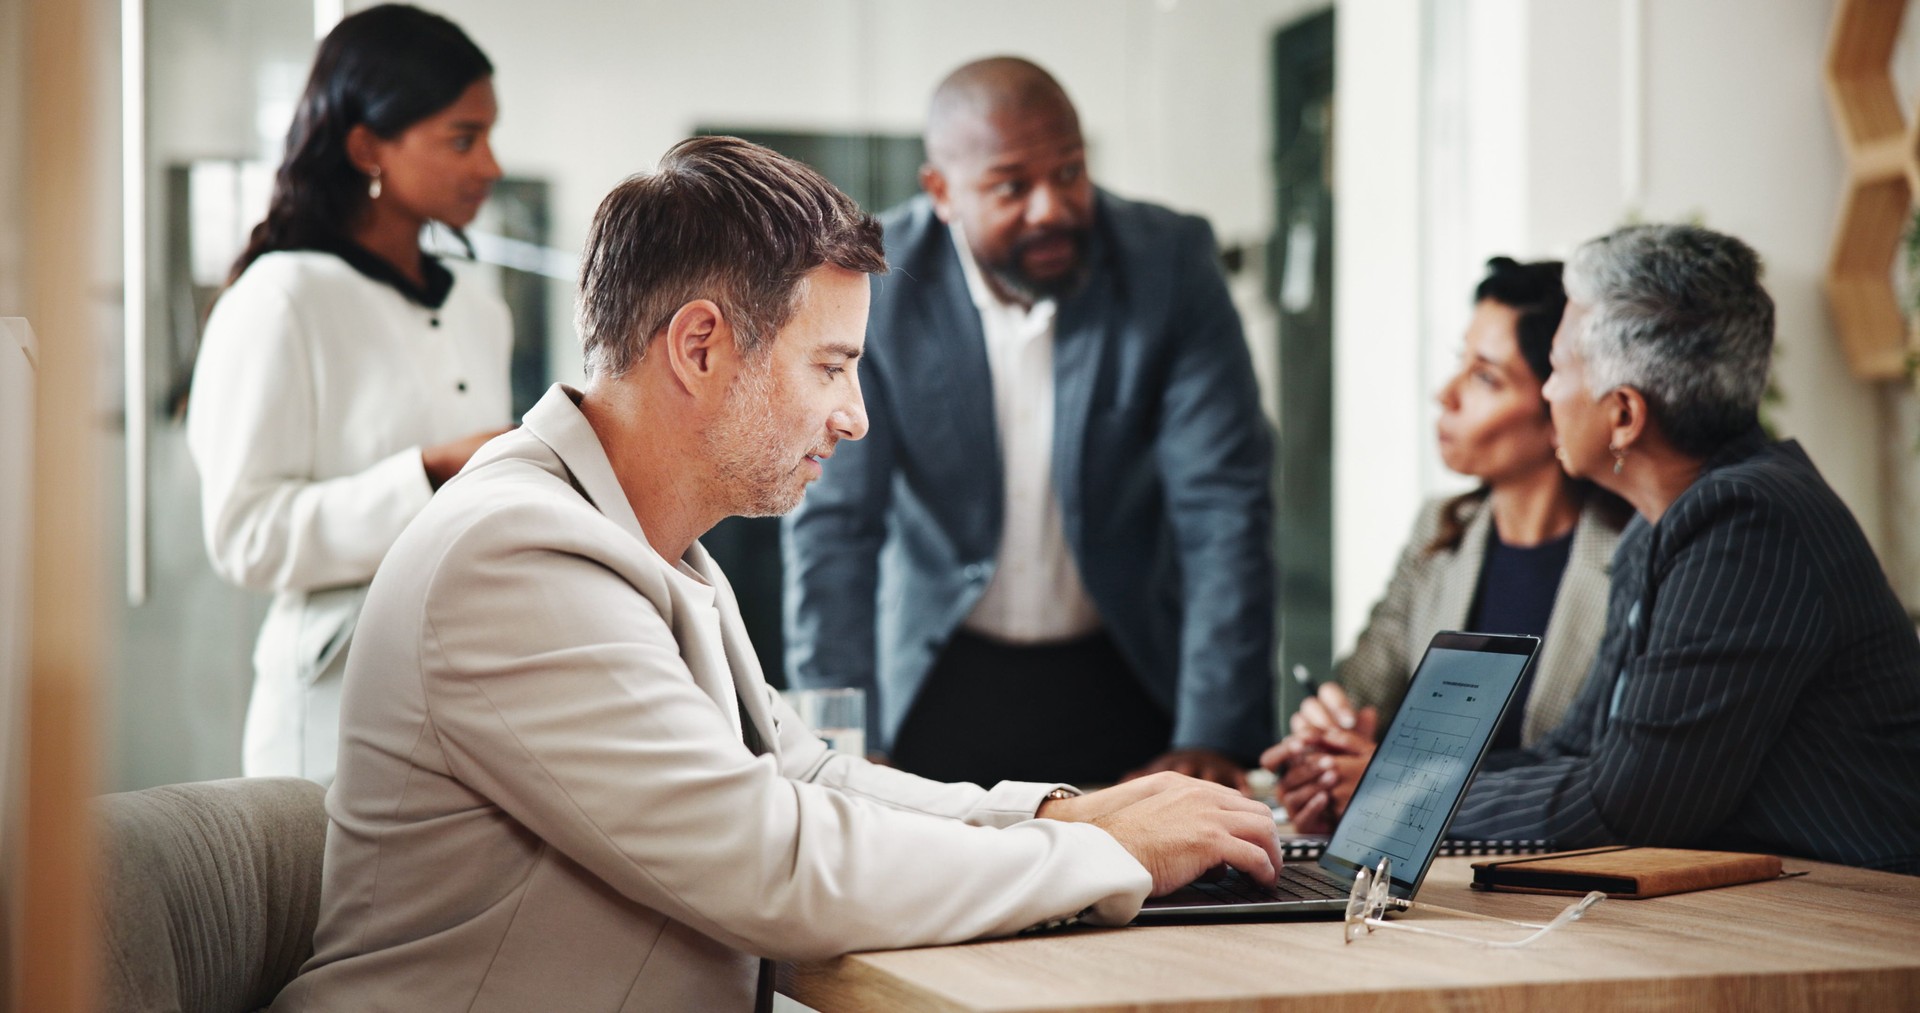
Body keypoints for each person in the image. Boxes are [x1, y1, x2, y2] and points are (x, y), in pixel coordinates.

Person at [269, 137, 1283, 1012]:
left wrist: (1067, 813)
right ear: (702, 345)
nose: (855, 416)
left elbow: (806, 777)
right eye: (831, 366)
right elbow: (774, 860)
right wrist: (1115, 858)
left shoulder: (643, 544)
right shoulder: (517, 560)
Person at [1278, 224, 1920, 876]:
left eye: (1556, 369)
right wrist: (1388, 788)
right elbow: (1576, 752)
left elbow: (1631, 802)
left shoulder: (1748, 524)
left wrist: (1394, 799)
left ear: (1623, 415)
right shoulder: (1663, 524)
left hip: (1868, 908)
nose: (1551, 392)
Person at [783, 57, 1275, 790]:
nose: (1051, 207)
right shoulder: (874, 286)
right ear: (942, 192)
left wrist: (1214, 732)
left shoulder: (1167, 264)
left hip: (1128, 674)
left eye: (1070, 172)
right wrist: (837, 746)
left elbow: (1222, 505)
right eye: (1012, 185)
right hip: (938, 679)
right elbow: (837, 526)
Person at [186, 4, 513, 784]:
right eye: (462, 139)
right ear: (367, 145)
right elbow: (245, 534)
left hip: (472, 707)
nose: (490, 166)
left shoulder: (477, 302)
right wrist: (427, 471)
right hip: (330, 725)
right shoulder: (281, 298)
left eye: (489, 135)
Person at [1267, 258, 1630, 828]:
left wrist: (1394, 783)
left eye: (1486, 377)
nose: (1445, 394)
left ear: (1558, 404)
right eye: (1459, 363)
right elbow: (1363, 690)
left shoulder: (1633, 551)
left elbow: (1601, 775)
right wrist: (1326, 740)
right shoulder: (1440, 530)